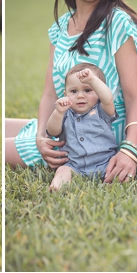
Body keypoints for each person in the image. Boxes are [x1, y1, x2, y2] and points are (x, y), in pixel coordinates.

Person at [5, 0, 137, 184]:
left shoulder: (119, 24)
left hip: (94, 140)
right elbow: (50, 93)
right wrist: (40, 137)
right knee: (1, 126)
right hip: (65, 125)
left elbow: (135, 96)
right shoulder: (60, 28)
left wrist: (130, 151)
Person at [44, 63, 117, 192]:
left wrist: (92, 80)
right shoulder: (65, 113)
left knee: (115, 171)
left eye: (88, 90)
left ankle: (111, 184)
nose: (80, 96)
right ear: (65, 93)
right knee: (63, 170)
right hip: (74, 165)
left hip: (104, 162)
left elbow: (108, 98)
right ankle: (57, 186)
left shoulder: (102, 110)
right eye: (73, 91)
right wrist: (58, 113)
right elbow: (52, 131)